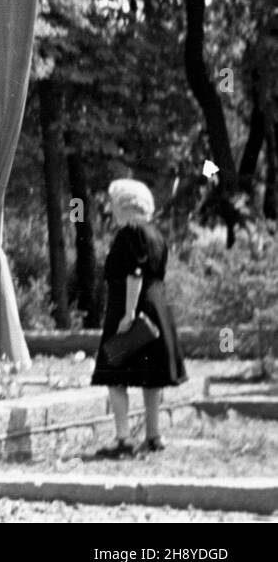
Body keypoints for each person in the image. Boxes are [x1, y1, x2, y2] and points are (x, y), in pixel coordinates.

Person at [91, 178, 187, 458]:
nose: (111, 209)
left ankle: (123, 440)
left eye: (113, 203)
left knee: (114, 372)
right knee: (150, 377)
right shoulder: (156, 234)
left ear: (125, 205)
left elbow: (135, 273)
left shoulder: (129, 232)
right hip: (157, 309)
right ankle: (153, 436)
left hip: (132, 309)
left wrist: (128, 314)